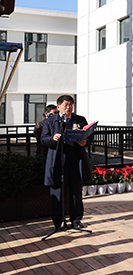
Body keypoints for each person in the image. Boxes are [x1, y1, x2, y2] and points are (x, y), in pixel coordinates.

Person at [40, 95, 91, 231]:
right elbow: (43, 139)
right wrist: (52, 138)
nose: (68, 107)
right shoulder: (50, 121)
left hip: (75, 160)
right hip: (57, 162)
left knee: (76, 192)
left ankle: (76, 220)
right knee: (58, 192)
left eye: (71, 105)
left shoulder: (80, 120)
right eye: (65, 105)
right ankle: (59, 221)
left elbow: (88, 138)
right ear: (58, 107)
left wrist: (85, 142)